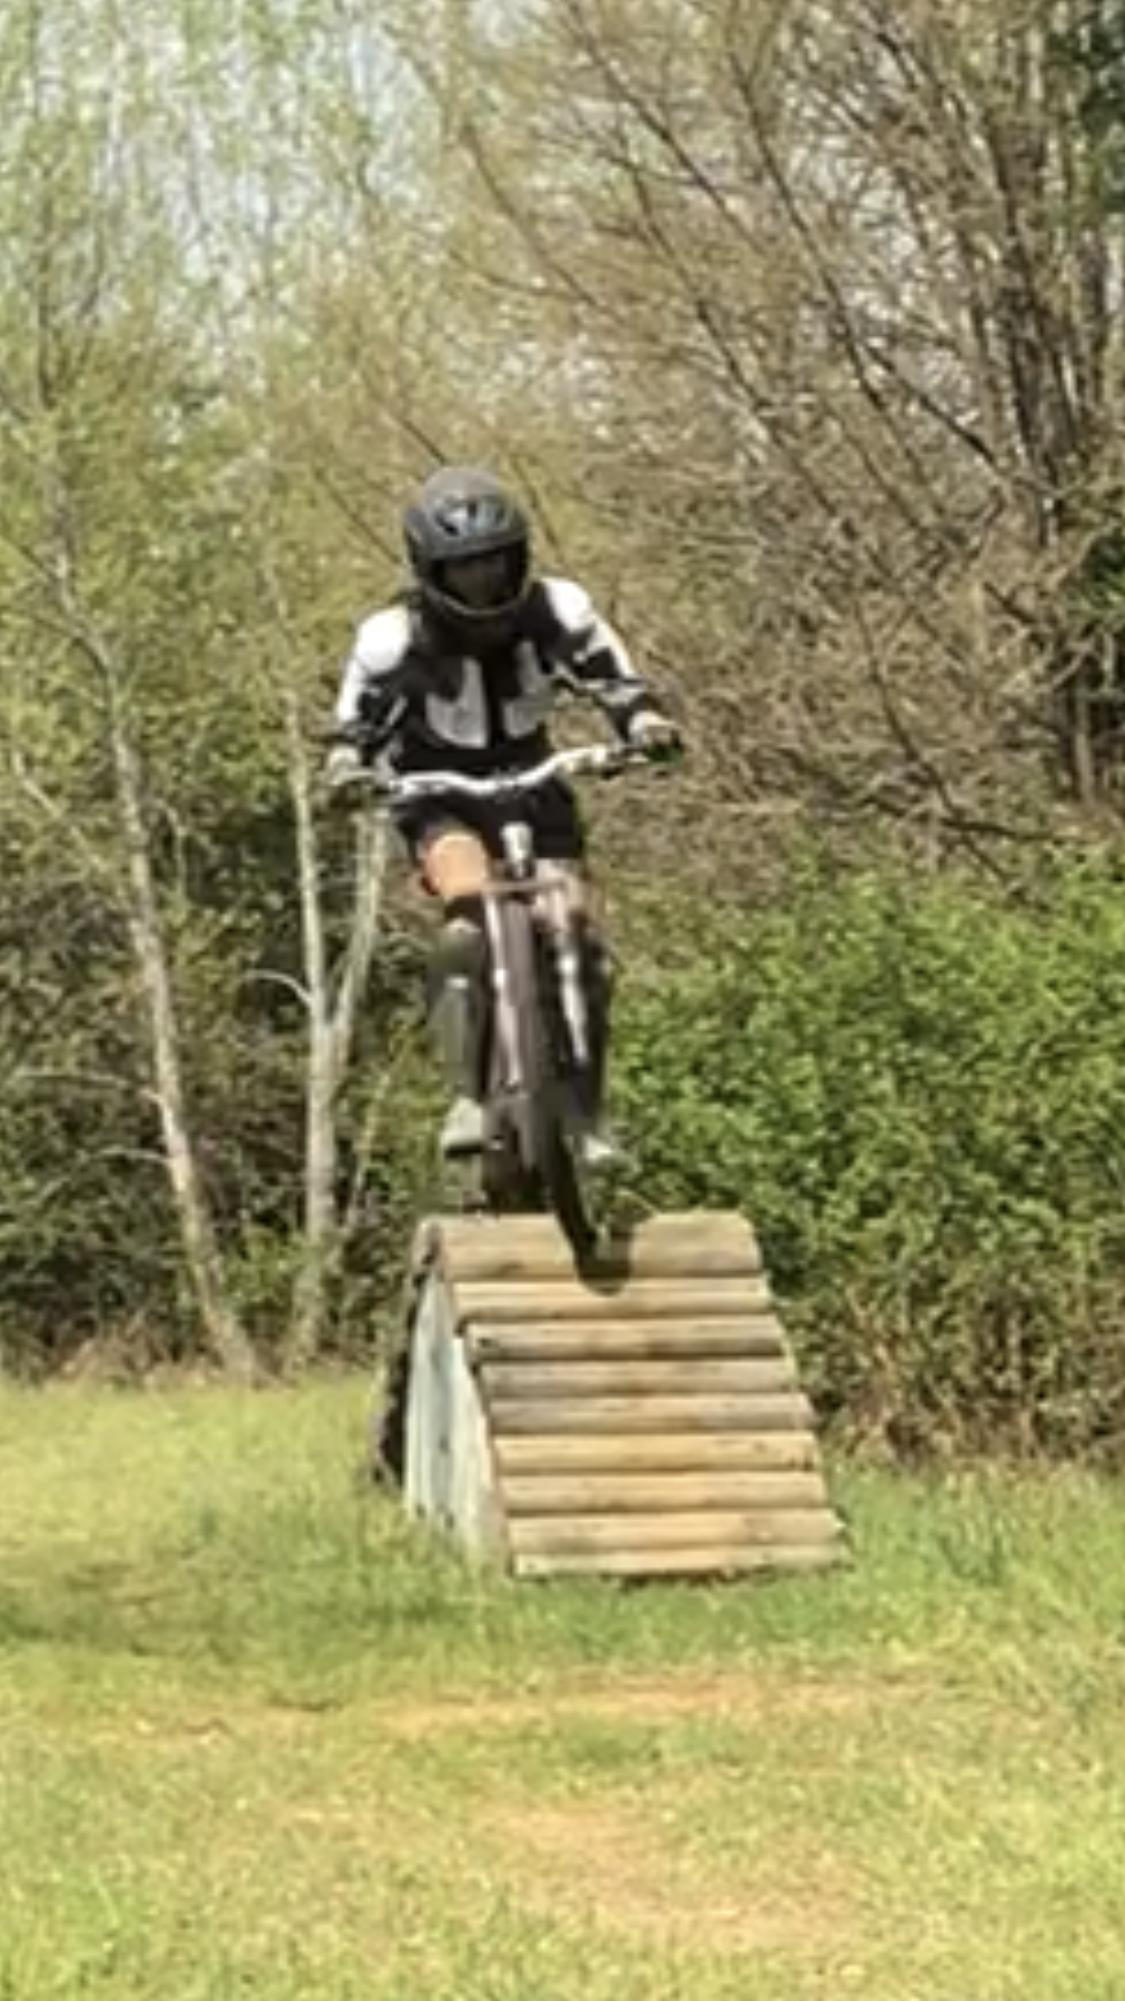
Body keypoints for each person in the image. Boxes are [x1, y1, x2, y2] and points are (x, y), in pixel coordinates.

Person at [326, 465, 681, 1161]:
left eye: (493, 564)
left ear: (518, 557)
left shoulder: (559, 610)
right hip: (437, 789)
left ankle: (585, 1107)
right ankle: (468, 1092)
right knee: (466, 922)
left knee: (577, 933)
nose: (482, 583)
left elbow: (617, 680)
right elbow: (350, 728)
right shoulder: (392, 639)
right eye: (463, 571)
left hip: (533, 776)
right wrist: (346, 770)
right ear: (431, 572)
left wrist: (644, 725)